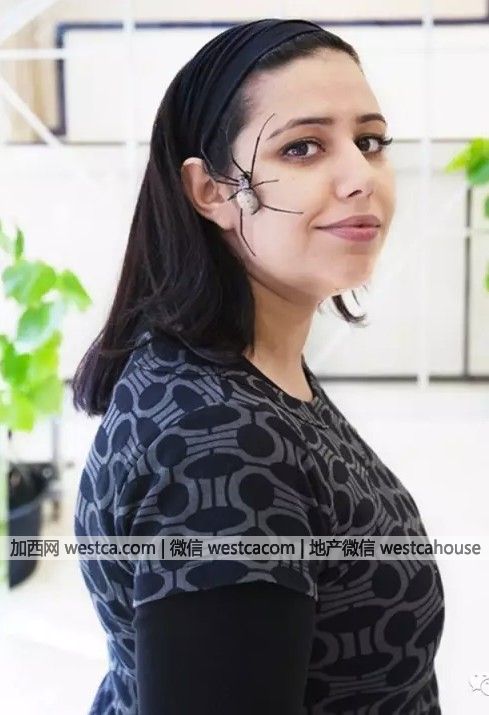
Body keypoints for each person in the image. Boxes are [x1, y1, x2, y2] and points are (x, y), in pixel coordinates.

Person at [72, 18, 445, 715]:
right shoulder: (217, 445)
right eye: (302, 147)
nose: (359, 177)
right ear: (211, 190)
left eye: (369, 141)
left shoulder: (240, 363)